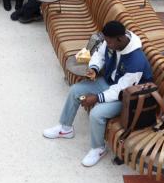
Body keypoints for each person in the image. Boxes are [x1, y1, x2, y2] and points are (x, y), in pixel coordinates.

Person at [43, 20, 153, 167]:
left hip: (127, 97)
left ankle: (98, 148)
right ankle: (65, 128)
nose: (107, 44)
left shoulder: (136, 61)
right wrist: (94, 68)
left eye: (109, 42)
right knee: (76, 90)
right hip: (109, 83)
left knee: (97, 113)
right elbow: (100, 54)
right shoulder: (113, 40)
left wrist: (96, 98)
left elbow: (121, 90)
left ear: (120, 39)